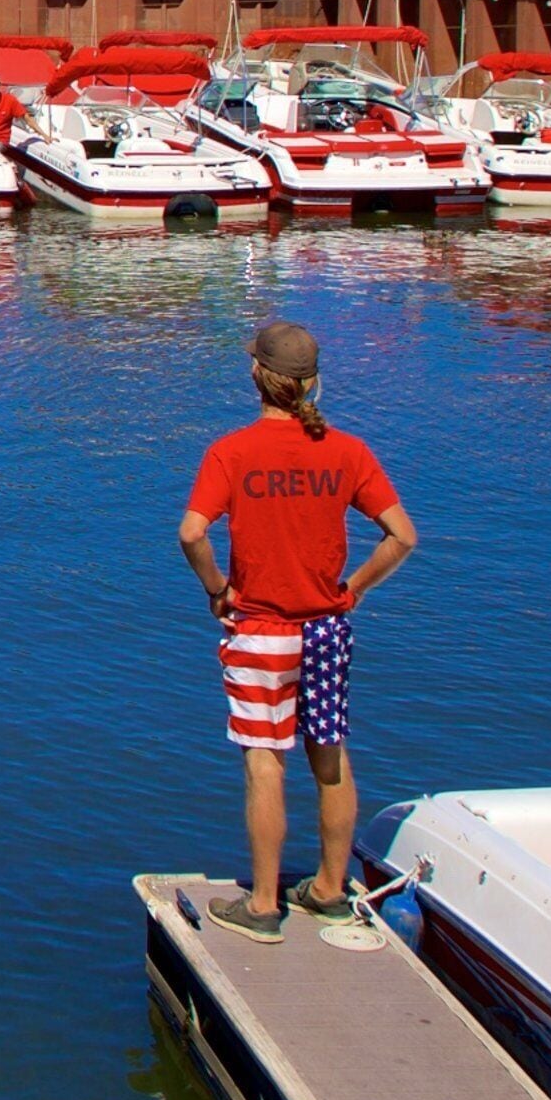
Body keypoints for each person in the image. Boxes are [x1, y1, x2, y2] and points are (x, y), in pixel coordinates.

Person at [177, 321, 416, 943]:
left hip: (261, 632)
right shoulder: (348, 451)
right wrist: (354, 588)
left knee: (265, 765)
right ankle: (331, 891)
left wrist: (216, 589)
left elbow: (192, 532)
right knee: (330, 759)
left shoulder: (232, 451)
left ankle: (262, 906)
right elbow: (403, 537)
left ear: (254, 374)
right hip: (326, 630)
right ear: (312, 382)